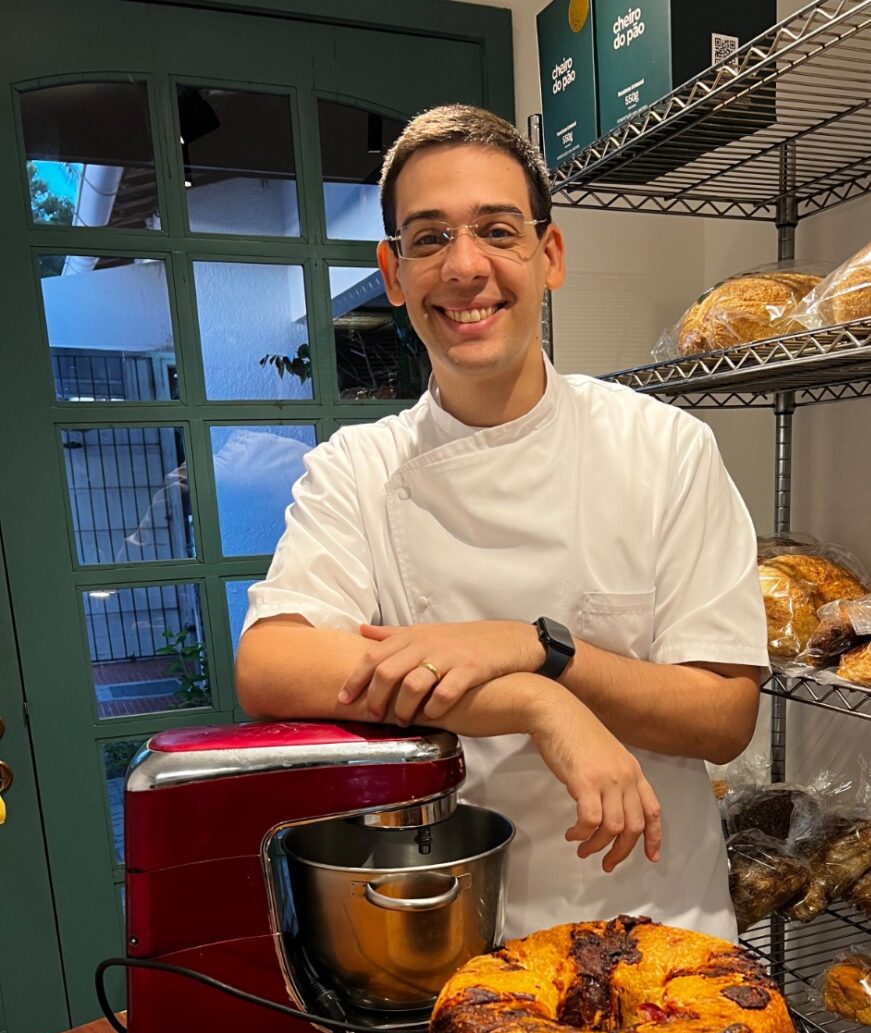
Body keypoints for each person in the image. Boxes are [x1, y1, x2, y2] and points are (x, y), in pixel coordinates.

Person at [236, 105, 767, 940]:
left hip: (658, 918)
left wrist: (538, 646)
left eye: (497, 231)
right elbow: (272, 664)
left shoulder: (664, 447)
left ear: (548, 255)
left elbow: (723, 716)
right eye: (429, 238)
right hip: (456, 932)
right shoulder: (358, 469)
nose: (465, 267)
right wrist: (533, 700)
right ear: (394, 273)